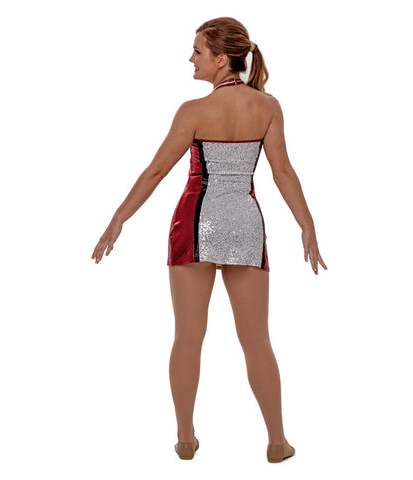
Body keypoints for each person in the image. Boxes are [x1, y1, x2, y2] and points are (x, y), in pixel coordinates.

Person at [91, 16, 327, 463]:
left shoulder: (193, 111)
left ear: (221, 59)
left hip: (195, 226)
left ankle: (185, 437)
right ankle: (277, 441)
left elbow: (156, 171)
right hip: (246, 225)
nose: (191, 58)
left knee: (188, 336)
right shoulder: (268, 106)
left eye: (198, 51)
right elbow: (282, 172)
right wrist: (307, 224)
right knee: (257, 340)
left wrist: (119, 219)